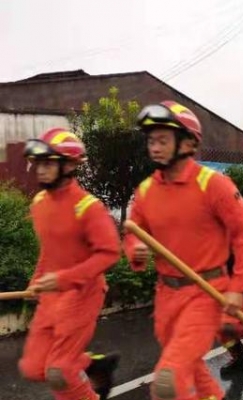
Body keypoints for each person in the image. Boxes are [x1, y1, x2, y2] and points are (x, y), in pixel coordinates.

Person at [124, 101, 243, 400]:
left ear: (187, 142)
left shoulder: (213, 184)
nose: (154, 147)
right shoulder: (145, 190)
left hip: (206, 293)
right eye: (151, 140)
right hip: (166, 296)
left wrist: (238, 288)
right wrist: (136, 249)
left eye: (162, 140)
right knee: (191, 370)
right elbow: (134, 231)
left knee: (167, 382)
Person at [19, 128, 121, 400]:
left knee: (59, 372)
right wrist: (37, 279)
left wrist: (65, 278)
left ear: (70, 165)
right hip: (52, 296)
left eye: (48, 163)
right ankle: (94, 365)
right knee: (32, 368)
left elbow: (110, 253)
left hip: (82, 294)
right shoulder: (39, 202)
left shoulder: (88, 207)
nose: (39, 169)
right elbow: (50, 250)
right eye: (37, 163)